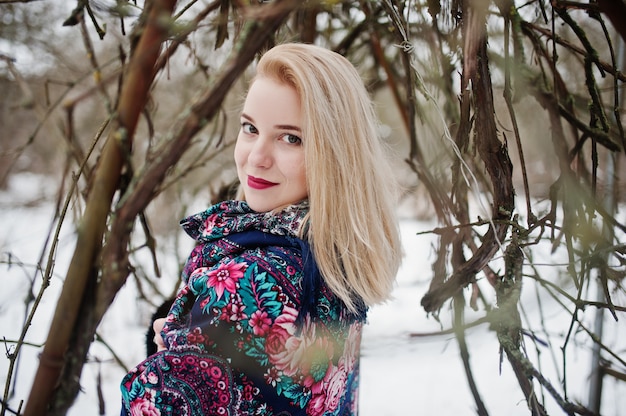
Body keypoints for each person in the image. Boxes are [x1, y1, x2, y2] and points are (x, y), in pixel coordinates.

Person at [120, 42, 402, 416]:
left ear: (333, 153)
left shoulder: (248, 279)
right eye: (250, 128)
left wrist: (165, 356)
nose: (256, 157)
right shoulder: (337, 254)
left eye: (290, 138)